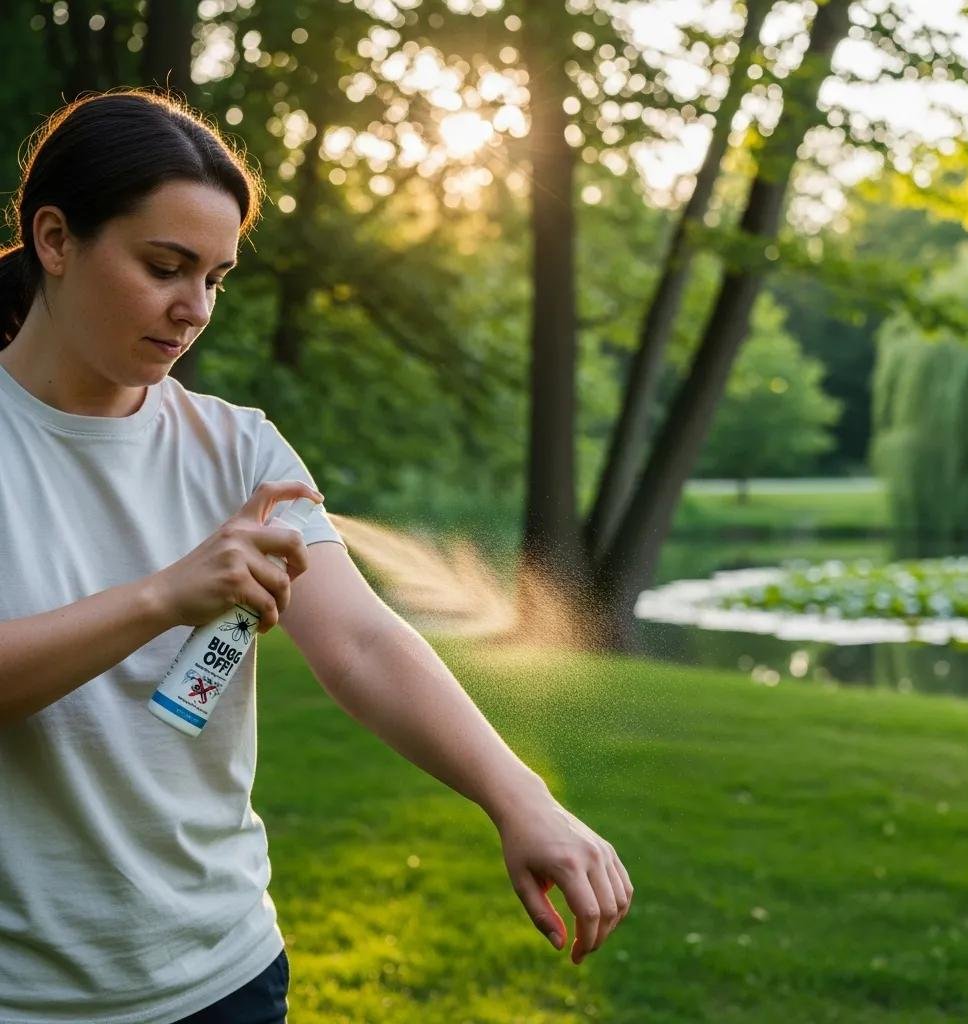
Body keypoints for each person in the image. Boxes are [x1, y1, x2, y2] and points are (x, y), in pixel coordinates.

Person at [0, 89, 633, 1024]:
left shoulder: (242, 450)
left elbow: (364, 644)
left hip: (224, 977)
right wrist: (165, 596)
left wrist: (520, 800)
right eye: (165, 267)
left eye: (216, 278)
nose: (193, 309)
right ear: (55, 240)